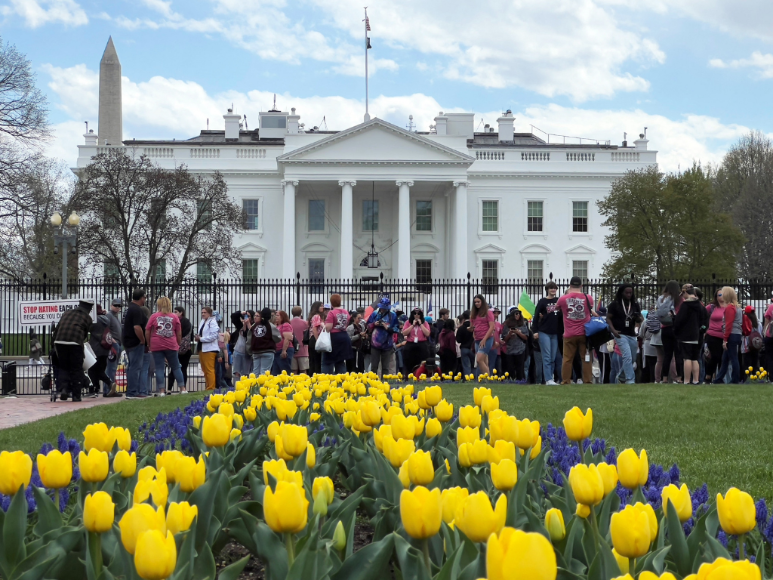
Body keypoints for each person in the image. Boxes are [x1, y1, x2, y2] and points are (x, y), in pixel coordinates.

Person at [555, 276, 595, 385]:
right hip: (585, 333)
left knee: (567, 359)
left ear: (570, 285)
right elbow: (590, 308)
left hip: (569, 333)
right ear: (581, 286)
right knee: (586, 358)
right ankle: (587, 380)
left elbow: (557, 308)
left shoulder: (563, 299)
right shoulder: (588, 298)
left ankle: (565, 380)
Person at [53, 299, 94, 402]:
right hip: (75, 343)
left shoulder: (67, 313)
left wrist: (53, 344)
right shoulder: (87, 318)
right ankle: (76, 395)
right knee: (76, 369)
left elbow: (57, 328)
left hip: (59, 341)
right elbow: (84, 335)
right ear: (89, 309)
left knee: (63, 367)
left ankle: (64, 389)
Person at [145, 296, 186, 396]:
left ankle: (162, 391)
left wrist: (149, 343)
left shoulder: (154, 316)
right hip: (171, 344)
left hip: (156, 344)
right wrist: (177, 344)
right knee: (176, 367)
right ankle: (183, 388)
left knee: (159, 368)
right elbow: (179, 333)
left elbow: (147, 330)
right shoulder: (174, 317)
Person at [606, 283, 643, 384]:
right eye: (626, 293)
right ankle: (630, 380)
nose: (629, 295)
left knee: (633, 358)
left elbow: (640, 318)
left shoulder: (634, 304)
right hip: (620, 334)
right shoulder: (614, 305)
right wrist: (613, 330)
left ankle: (621, 376)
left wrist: (638, 318)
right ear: (621, 293)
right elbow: (608, 318)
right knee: (627, 356)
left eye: (630, 293)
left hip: (631, 334)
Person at [673, 286, 707, 385]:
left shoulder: (685, 305)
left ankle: (687, 380)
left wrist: (674, 322)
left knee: (686, 358)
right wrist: (702, 330)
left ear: (685, 293)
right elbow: (705, 318)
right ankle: (696, 380)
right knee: (695, 358)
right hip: (697, 334)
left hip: (686, 334)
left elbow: (680, 320)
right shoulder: (700, 305)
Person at [533, 282, 563, 385]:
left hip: (555, 333)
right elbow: (536, 316)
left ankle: (550, 378)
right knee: (546, 356)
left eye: (555, 288)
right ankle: (548, 379)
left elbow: (561, 317)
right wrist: (535, 331)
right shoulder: (542, 301)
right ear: (547, 289)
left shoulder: (558, 301)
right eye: (551, 288)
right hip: (544, 332)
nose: (553, 290)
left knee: (553, 357)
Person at [88, 304, 120, 398]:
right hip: (105, 348)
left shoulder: (94, 321)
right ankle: (98, 388)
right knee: (100, 369)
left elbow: (88, 329)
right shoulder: (106, 319)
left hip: (95, 348)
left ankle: (101, 387)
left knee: (92, 369)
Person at [123, 289, 149, 400]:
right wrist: (142, 340)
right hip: (135, 342)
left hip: (128, 342)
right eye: (145, 297)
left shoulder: (130, 308)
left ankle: (131, 391)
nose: (145, 300)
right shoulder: (137, 310)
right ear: (141, 298)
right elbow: (137, 327)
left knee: (132, 367)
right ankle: (132, 392)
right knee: (135, 367)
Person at [713, 286, 742, 384]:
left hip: (732, 334)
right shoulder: (737, 307)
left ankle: (735, 379)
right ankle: (719, 378)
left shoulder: (730, 308)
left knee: (733, 357)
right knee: (725, 358)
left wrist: (725, 339)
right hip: (737, 333)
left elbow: (729, 324)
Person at [656, 281, 683, 383]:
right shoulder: (678, 299)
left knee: (667, 355)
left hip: (664, 328)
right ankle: (679, 377)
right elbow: (680, 313)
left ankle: (664, 378)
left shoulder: (661, 298)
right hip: (675, 328)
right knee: (678, 354)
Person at [367, 297, 399, 378]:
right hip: (375, 344)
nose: (382, 309)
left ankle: (385, 383)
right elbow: (368, 326)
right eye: (381, 308)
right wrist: (374, 324)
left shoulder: (393, 315)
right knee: (374, 367)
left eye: (384, 308)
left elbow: (396, 329)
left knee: (385, 368)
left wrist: (387, 327)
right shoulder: (375, 313)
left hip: (387, 345)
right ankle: (373, 382)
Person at [323, 294, 353, 374]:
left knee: (328, 361)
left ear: (332, 302)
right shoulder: (346, 312)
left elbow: (328, 328)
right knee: (340, 361)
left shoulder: (331, 313)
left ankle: (327, 378)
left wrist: (324, 325)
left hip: (334, 338)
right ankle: (341, 378)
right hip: (344, 336)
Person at [470, 295, 496, 376]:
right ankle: (485, 379)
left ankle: (487, 378)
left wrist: (484, 339)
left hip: (486, 339)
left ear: (482, 302)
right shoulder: (473, 314)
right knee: (484, 361)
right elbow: (473, 326)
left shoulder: (488, 313)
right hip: (477, 339)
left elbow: (492, 327)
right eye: (475, 302)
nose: (476, 304)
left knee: (479, 360)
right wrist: (472, 331)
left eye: (478, 302)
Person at [704, 289, 726, 384]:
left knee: (723, 358)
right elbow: (702, 316)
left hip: (725, 336)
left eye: (722, 294)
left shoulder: (729, 307)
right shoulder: (712, 307)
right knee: (714, 356)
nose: (721, 296)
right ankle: (708, 376)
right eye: (718, 295)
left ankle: (720, 378)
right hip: (712, 335)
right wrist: (705, 329)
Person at [401, 307, 431, 376]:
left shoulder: (425, 323)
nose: (416, 315)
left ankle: (420, 375)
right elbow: (404, 333)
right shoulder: (407, 322)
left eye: (418, 314)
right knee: (409, 362)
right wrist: (412, 325)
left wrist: (421, 324)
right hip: (411, 344)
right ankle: (409, 375)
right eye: (415, 314)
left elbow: (427, 334)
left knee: (422, 362)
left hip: (421, 344)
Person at [169, 306, 193, 392]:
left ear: (181, 312)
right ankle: (183, 388)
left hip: (176, 348)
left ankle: (169, 389)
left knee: (173, 369)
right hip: (186, 349)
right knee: (183, 369)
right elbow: (191, 336)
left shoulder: (176, 322)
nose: (174, 313)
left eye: (176, 312)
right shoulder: (188, 323)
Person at [195, 306, 219, 389]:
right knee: (204, 370)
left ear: (209, 313)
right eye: (202, 312)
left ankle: (211, 387)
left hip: (210, 349)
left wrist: (201, 339)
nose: (203, 314)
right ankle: (208, 386)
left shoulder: (212, 322)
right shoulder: (202, 321)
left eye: (205, 312)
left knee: (209, 369)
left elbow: (213, 336)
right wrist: (197, 337)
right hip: (202, 348)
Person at [501, 307, 528, 381]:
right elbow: (504, 339)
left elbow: (526, 337)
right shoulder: (507, 325)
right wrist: (509, 334)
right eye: (516, 314)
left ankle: (520, 381)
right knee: (510, 368)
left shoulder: (522, 325)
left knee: (520, 368)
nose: (517, 315)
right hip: (509, 349)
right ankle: (511, 380)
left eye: (519, 314)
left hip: (520, 349)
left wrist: (518, 332)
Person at [250, 308, 275, 375]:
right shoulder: (270, 325)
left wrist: (250, 348)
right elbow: (277, 337)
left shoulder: (255, 325)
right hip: (268, 350)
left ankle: (254, 382)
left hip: (256, 350)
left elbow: (249, 338)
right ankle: (262, 382)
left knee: (255, 372)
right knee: (264, 372)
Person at [105, 298, 123, 386]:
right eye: (115, 305)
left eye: (119, 306)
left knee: (113, 367)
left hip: (117, 343)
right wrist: (112, 341)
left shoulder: (115, 317)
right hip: (113, 344)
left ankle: (110, 387)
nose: (117, 307)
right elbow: (105, 329)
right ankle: (108, 388)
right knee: (111, 368)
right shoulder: (109, 315)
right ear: (111, 306)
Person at [741, 306, 762, 379]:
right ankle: (755, 378)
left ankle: (746, 378)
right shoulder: (758, 323)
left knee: (746, 364)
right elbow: (760, 334)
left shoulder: (745, 322)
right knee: (755, 363)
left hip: (746, 345)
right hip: (755, 345)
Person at [272, 310, 295, 374]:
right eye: (275, 315)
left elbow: (287, 338)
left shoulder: (286, 325)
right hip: (277, 351)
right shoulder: (277, 326)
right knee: (275, 371)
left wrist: (284, 350)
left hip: (284, 350)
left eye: (278, 315)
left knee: (285, 370)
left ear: (283, 317)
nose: (276, 317)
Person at [288, 307, 309, 375]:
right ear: (301, 313)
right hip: (303, 349)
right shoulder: (305, 323)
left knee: (294, 371)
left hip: (292, 349)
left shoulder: (289, 323)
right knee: (303, 370)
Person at [307, 302, 325, 375]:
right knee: (317, 360)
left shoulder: (313, 316)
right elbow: (315, 329)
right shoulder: (317, 316)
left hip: (312, 339)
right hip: (315, 338)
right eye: (321, 306)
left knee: (313, 361)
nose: (323, 307)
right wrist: (317, 340)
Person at [456, 311, 475, 377]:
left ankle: (467, 378)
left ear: (463, 318)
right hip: (473, 348)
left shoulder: (461, 328)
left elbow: (458, 340)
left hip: (464, 348)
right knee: (474, 365)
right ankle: (474, 378)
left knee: (466, 365)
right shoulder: (474, 327)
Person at [489, 306, 502, 374]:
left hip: (497, 349)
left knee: (498, 368)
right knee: (490, 366)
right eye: (495, 313)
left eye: (497, 313)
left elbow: (499, 335)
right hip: (489, 348)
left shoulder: (498, 324)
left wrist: (500, 341)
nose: (496, 315)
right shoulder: (488, 324)